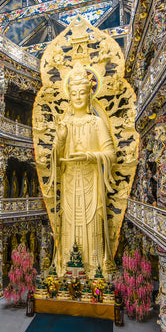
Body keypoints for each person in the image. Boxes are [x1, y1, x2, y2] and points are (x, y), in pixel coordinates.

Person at [52, 65, 116, 276]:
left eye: (82, 92)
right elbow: (56, 158)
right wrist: (61, 138)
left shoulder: (96, 122)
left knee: (91, 225)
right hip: (70, 181)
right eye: (74, 93)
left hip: (92, 181)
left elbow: (111, 154)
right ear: (69, 95)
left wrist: (89, 156)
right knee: (69, 224)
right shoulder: (65, 123)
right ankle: (67, 270)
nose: (78, 97)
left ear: (90, 94)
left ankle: (94, 270)